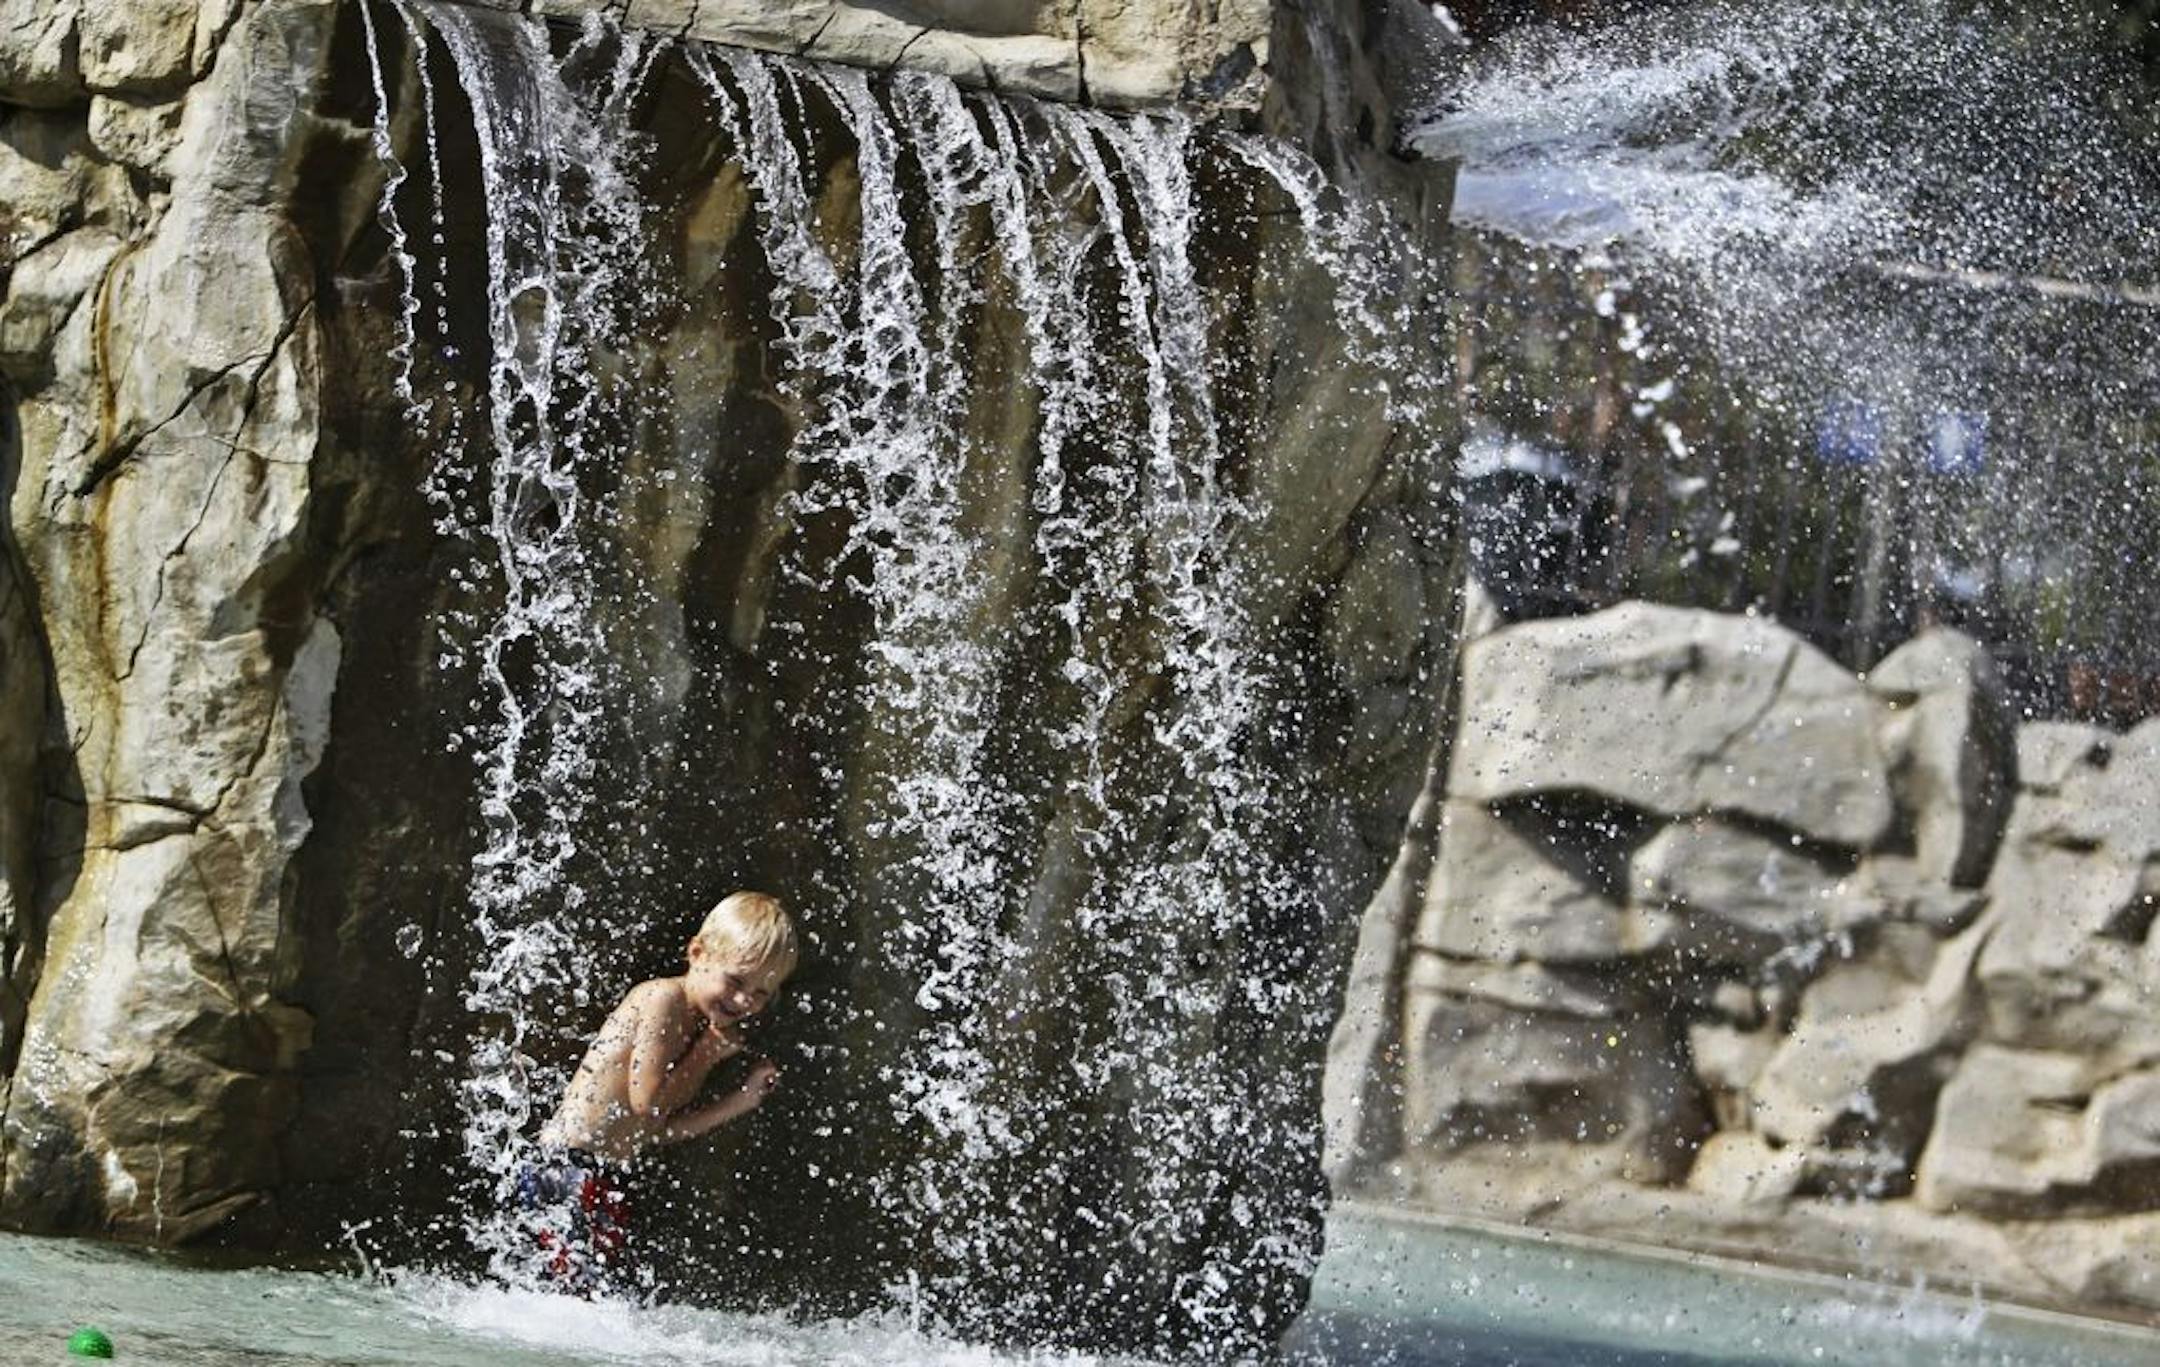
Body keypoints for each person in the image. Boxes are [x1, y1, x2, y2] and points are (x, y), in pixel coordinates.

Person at [518, 891, 799, 1293]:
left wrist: (740, 1101)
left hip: (602, 1176)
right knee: (567, 1301)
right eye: (736, 981)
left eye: (760, 993)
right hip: (562, 1171)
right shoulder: (661, 998)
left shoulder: (698, 1024)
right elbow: (647, 1104)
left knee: (600, 1304)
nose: (743, 1000)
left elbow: (655, 1131)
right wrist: (705, 1056)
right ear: (698, 953)